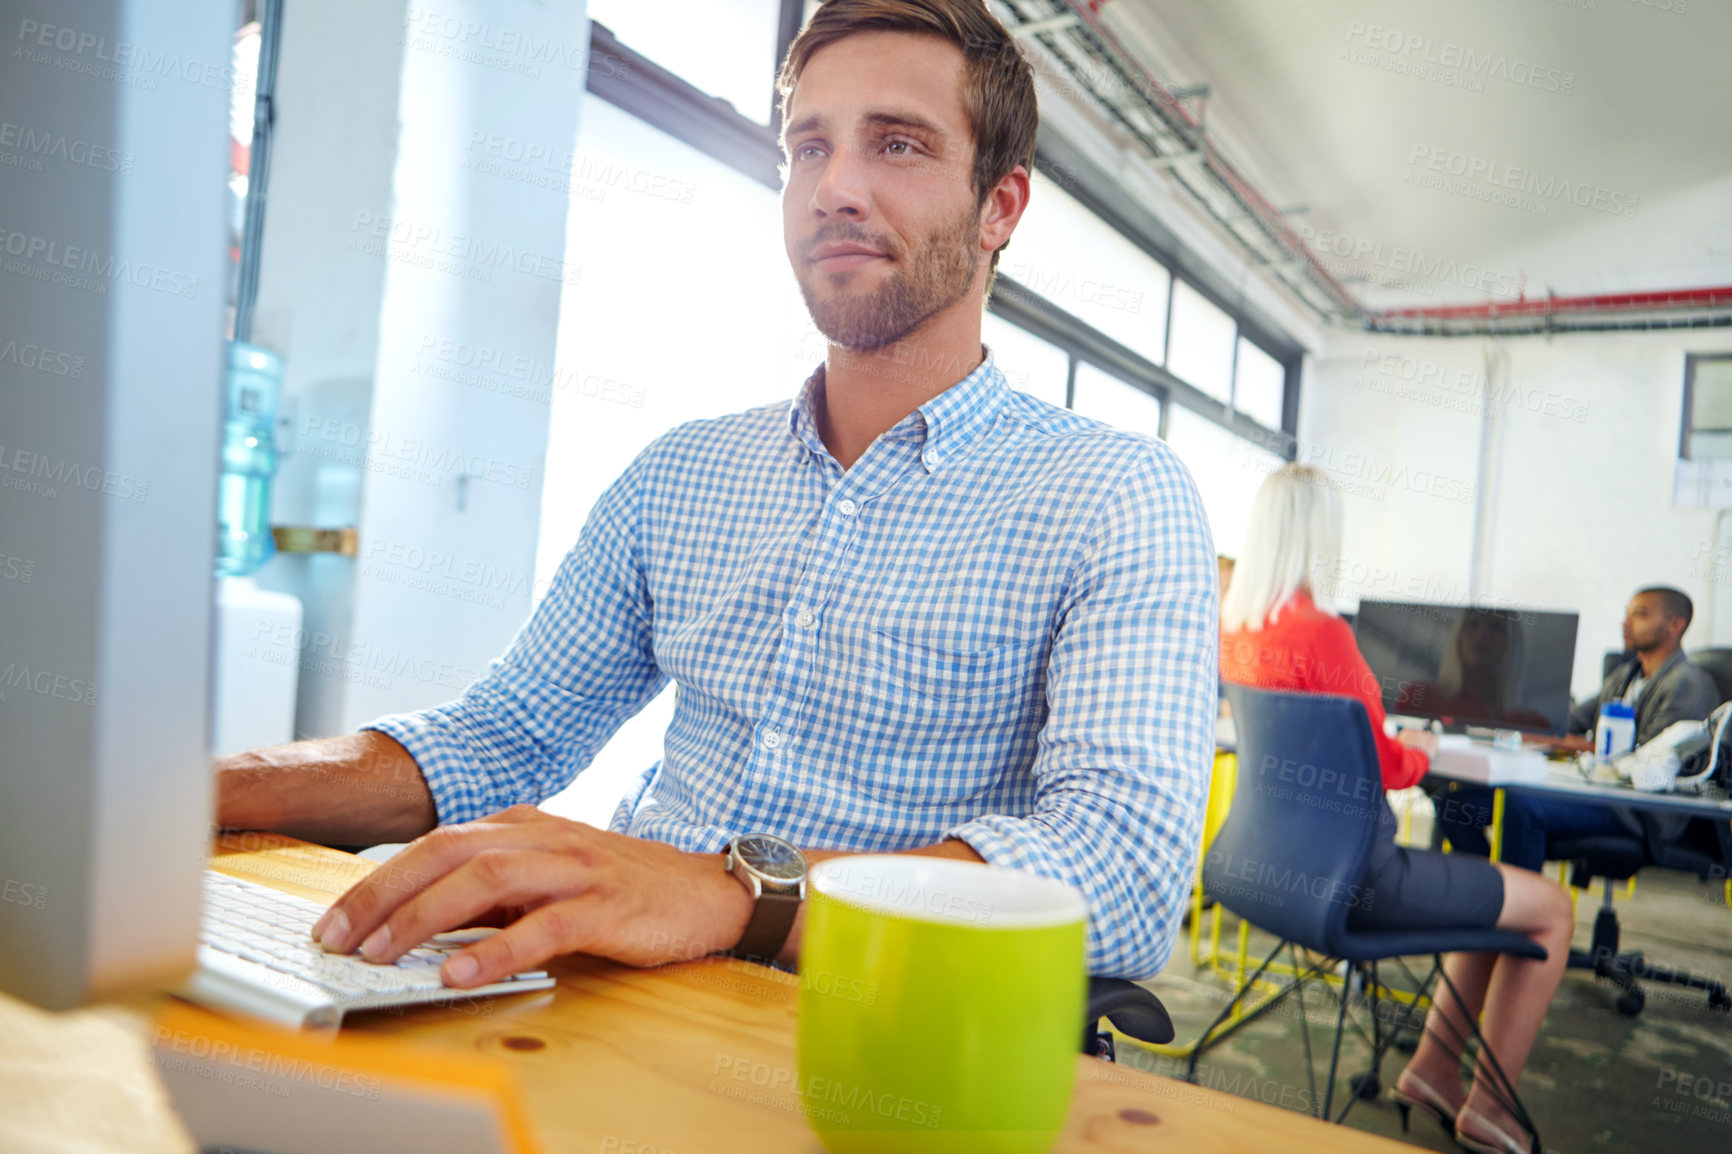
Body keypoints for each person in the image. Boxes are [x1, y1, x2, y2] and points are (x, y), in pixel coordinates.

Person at [216, 0, 1218, 987]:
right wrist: (207, 787)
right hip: (602, 990)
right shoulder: (681, 473)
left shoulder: (1115, 495)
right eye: (808, 148)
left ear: (999, 206)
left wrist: (731, 894)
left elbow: (1120, 874)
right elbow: (504, 734)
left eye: (898, 146)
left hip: (876, 1033)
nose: (835, 188)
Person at [1219, 464, 1573, 1154]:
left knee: (1489, 911)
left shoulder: (1239, 633)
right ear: (1321, 538)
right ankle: (1494, 1112)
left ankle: (1435, 1072)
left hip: (1260, 871)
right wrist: (1412, 747)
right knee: (1552, 908)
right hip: (1361, 883)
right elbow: (1380, 764)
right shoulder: (1322, 633)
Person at [1436, 587, 1720, 871]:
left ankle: (1516, 907)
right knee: (1457, 804)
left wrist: (1570, 742)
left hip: (1638, 813)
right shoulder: (1627, 675)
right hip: (1599, 792)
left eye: (1640, 615)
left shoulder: (1688, 684)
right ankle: (1491, 885)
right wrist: (1523, 721)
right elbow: (1569, 722)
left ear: (1675, 625)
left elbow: (1649, 759)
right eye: (1627, 614)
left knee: (1523, 805)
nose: (1626, 623)